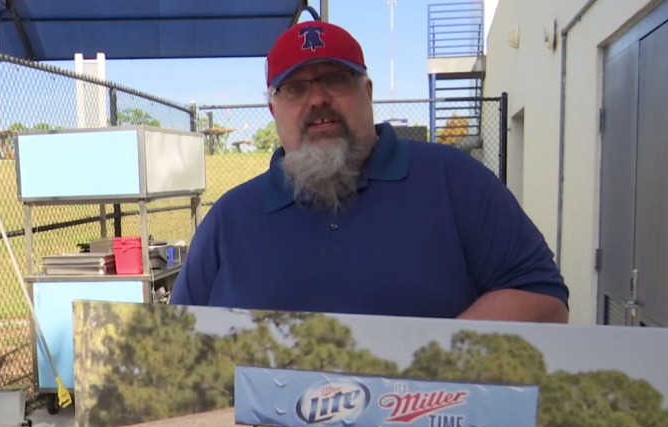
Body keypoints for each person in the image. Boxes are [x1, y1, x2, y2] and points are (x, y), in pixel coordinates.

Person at [169, 21, 568, 322]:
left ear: (368, 92)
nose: (318, 98)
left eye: (337, 79)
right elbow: (177, 339)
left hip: (422, 423)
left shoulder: (454, 181)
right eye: (295, 88)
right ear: (274, 110)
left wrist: (433, 365)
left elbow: (545, 299)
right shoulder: (229, 219)